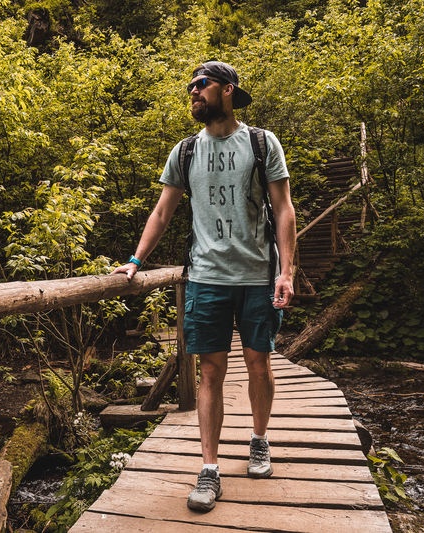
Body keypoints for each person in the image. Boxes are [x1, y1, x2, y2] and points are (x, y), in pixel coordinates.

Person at [112, 60, 296, 512]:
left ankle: (259, 441)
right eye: (190, 86)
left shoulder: (261, 142)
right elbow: (162, 211)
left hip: (257, 275)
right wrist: (135, 261)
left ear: (227, 89)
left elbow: (284, 208)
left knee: (258, 363)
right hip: (205, 277)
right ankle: (209, 469)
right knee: (210, 372)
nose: (193, 91)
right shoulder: (186, 151)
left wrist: (287, 271)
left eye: (201, 84)